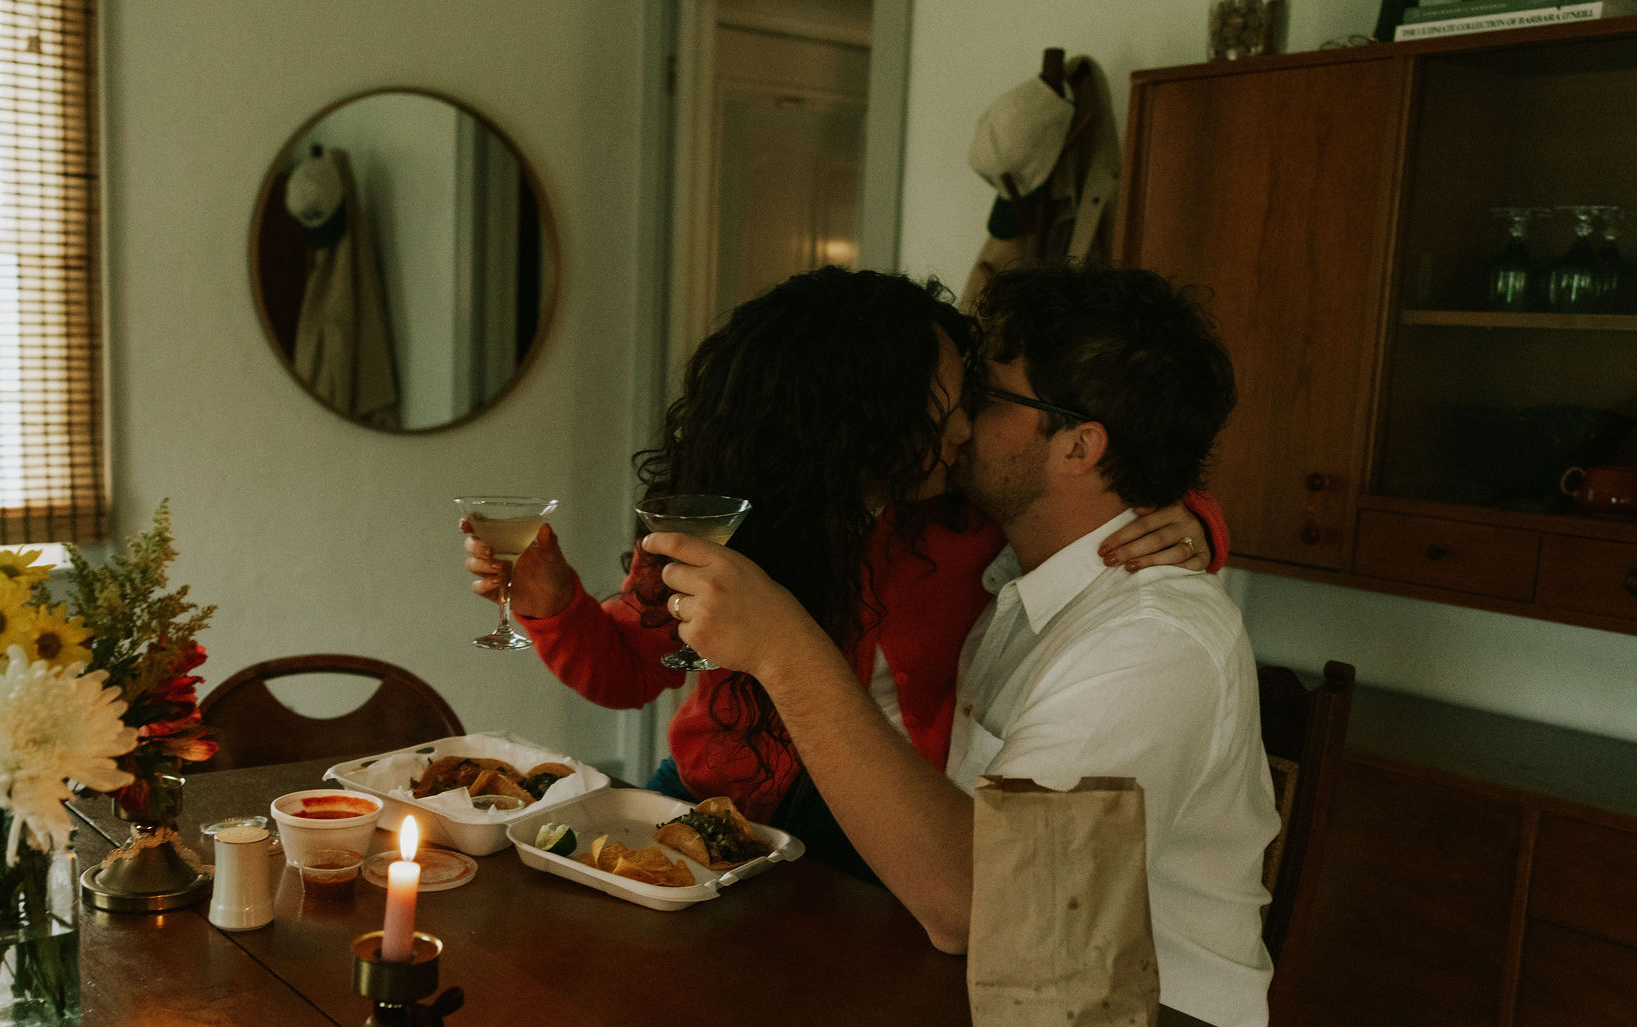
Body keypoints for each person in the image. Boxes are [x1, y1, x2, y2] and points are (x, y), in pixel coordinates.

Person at [646, 263, 1280, 1027]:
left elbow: (983, 907)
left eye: (988, 395)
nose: (959, 421)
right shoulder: (1014, 583)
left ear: (1080, 445)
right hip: (1000, 1018)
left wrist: (782, 648)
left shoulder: (1149, 644)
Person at [462, 266, 1227, 868]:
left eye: (977, 398)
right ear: (868, 412)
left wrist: (1197, 519)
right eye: (954, 403)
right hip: (715, 792)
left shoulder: (966, 514)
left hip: (882, 813)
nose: (966, 427)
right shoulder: (739, 514)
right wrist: (556, 604)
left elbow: (1093, 486)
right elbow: (633, 668)